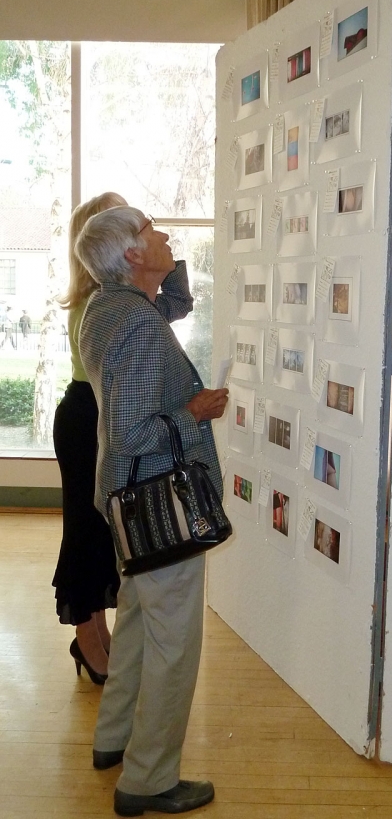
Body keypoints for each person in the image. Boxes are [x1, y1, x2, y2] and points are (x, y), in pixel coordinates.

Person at [75, 205, 228, 816]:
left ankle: (113, 739)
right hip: (156, 496)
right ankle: (148, 779)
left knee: (138, 619)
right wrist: (195, 411)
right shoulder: (136, 323)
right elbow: (135, 430)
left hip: (125, 497)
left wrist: (168, 262)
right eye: (150, 231)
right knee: (173, 642)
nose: (163, 234)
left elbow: (173, 308)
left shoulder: (112, 306)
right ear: (132, 257)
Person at [52, 193, 129, 685]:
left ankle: (97, 635)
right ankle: (87, 639)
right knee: (85, 532)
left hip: (95, 417)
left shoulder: (104, 298)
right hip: (86, 421)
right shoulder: (94, 305)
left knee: (101, 533)